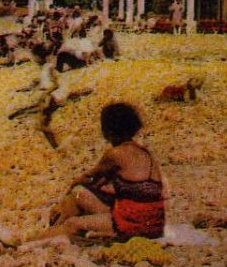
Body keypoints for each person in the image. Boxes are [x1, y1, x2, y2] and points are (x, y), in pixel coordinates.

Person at [42, 102, 166, 241]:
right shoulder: (144, 153)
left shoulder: (115, 154)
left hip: (133, 223)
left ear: (108, 130)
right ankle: (52, 232)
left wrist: (61, 203)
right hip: (152, 222)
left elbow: (88, 179)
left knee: (73, 222)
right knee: (79, 194)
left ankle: (31, 240)